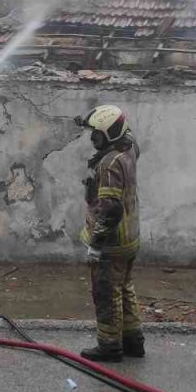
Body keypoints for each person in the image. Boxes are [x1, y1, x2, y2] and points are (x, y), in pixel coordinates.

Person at [74, 105, 144, 363]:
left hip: (112, 243)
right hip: (130, 236)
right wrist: (87, 120)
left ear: (111, 134)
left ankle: (109, 345)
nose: (93, 139)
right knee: (125, 288)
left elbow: (111, 209)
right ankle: (133, 340)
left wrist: (96, 243)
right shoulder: (130, 148)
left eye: (97, 135)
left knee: (106, 292)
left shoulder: (109, 163)